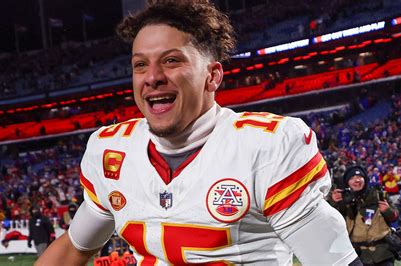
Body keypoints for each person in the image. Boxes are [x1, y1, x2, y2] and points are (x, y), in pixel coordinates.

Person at [37, 1, 359, 265]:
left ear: (212, 76)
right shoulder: (111, 150)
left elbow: (334, 262)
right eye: (140, 65)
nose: (152, 77)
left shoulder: (266, 146)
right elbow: (74, 248)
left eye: (171, 60)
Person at [329, 165, 399, 265]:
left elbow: (395, 216)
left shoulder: (378, 195)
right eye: (352, 178)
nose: (357, 180)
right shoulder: (343, 198)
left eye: (359, 177)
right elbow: (333, 222)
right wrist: (334, 202)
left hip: (382, 253)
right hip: (357, 255)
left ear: (365, 179)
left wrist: (387, 211)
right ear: (347, 182)